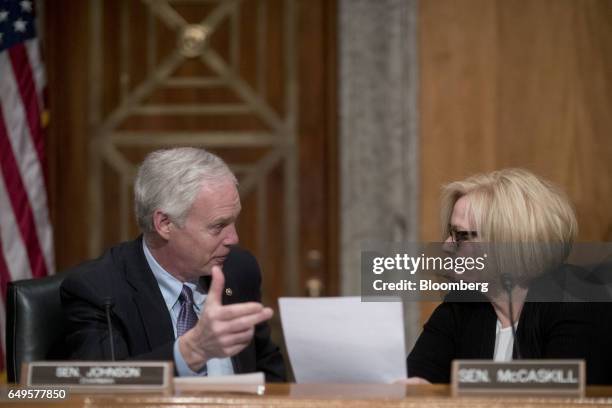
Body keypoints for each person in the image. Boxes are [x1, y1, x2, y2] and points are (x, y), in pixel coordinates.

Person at [61, 147, 286, 381]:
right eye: (218, 226)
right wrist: (191, 352)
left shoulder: (238, 269)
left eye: (233, 222)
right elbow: (101, 384)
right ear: (164, 223)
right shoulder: (98, 290)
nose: (234, 239)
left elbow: (269, 369)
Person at [407, 168, 612, 384]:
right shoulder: (461, 305)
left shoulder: (577, 298)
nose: (447, 246)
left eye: (461, 236)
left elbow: (561, 399)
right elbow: (417, 380)